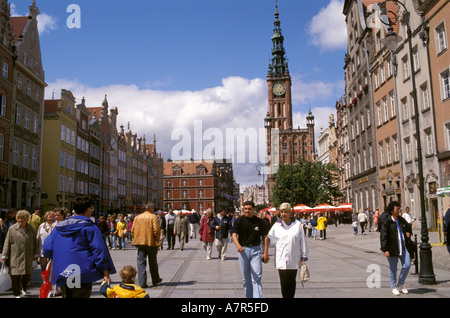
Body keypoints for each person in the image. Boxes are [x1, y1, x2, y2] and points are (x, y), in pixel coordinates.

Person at [43, 196, 116, 298]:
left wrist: (55, 257)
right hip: (82, 272)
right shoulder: (89, 227)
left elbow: (46, 247)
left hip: (63, 271)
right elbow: (99, 250)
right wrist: (106, 272)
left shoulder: (59, 227)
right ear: (88, 209)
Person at [267, 203, 308, 298]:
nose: (283, 214)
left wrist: (304, 255)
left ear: (290, 213)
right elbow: (271, 240)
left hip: (294, 258)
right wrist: (266, 240)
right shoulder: (276, 225)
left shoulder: (297, 225)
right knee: (284, 282)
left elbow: (303, 240)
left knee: (292, 282)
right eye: (282, 212)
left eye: (286, 212)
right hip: (281, 258)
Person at [232, 201, 269, 298]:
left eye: (249, 209)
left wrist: (266, 252)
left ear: (253, 209)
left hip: (256, 250)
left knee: (256, 278)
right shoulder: (239, 221)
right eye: (245, 209)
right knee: (246, 279)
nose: (247, 211)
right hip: (243, 251)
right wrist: (238, 246)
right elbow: (234, 234)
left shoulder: (260, 222)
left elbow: (265, 237)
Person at [1, 210, 38, 298]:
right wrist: (4, 255)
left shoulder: (31, 228)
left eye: (22, 218)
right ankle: (16, 293)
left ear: (26, 219)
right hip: (15, 255)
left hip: (27, 255)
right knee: (15, 275)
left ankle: (24, 289)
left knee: (26, 274)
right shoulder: (12, 228)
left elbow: (34, 242)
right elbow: (7, 242)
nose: (20, 220)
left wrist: (35, 254)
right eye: (18, 218)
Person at [380, 201, 412, 296]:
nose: (399, 210)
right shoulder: (387, 221)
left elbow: (408, 227)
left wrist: (408, 233)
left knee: (407, 265)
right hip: (392, 247)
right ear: (392, 211)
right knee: (393, 269)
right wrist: (385, 249)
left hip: (403, 247)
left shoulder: (401, 219)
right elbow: (384, 236)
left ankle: (401, 283)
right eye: (397, 209)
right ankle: (393, 287)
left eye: (399, 209)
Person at [131, 203, 162, 288]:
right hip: (150, 242)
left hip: (140, 243)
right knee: (153, 262)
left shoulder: (137, 217)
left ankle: (142, 282)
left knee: (141, 263)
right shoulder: (153, 217)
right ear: (151, 208)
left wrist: (136, 239)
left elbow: (132, 230)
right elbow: (156, 230)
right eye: (153, 208)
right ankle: (155, 280)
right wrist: (157, 241)